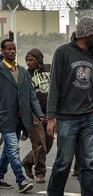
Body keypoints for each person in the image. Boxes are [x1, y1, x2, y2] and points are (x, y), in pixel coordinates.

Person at [46, 16, 93, 196]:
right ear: (86, 33)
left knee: (88, 164)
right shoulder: (63, 52)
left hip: (89, 118)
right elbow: (54, 85)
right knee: (63, 162)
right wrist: (51, 118)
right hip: (67, 118)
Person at [0, 39, 45, 193]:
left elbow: (32, 95)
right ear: (2, 51)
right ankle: (21, 181)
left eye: (14, 49)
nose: (12, 51)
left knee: (8, 150)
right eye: (8, 49)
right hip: (5, 118)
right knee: (13, 149)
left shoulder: (23, 71)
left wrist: (39, 113)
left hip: (21, 119)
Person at [22, 49, 54, 184]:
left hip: (50, 112)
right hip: (33, 113)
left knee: (49, 143)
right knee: (39, 143)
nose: (28, 63)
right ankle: (40, 172)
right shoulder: (25, 74)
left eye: (31, 60)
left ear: (38, 60)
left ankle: (28, 161)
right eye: (27, 60)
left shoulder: (49, 69)